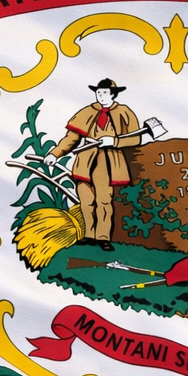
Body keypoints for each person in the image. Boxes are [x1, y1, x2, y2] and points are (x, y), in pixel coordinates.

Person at [49, 79, 141, 250]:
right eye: (99, 92)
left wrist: (113, 141)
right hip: (85, 161)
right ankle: (89, 235)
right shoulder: (87, 112)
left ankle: (103, 237)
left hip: (109, 162)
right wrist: (55, 154)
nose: (101, 96)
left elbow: (135, 138)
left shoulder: (124, 112)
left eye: (104, 93)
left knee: (104, 201)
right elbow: (71, 138)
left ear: (113, 94)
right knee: (86, 201)